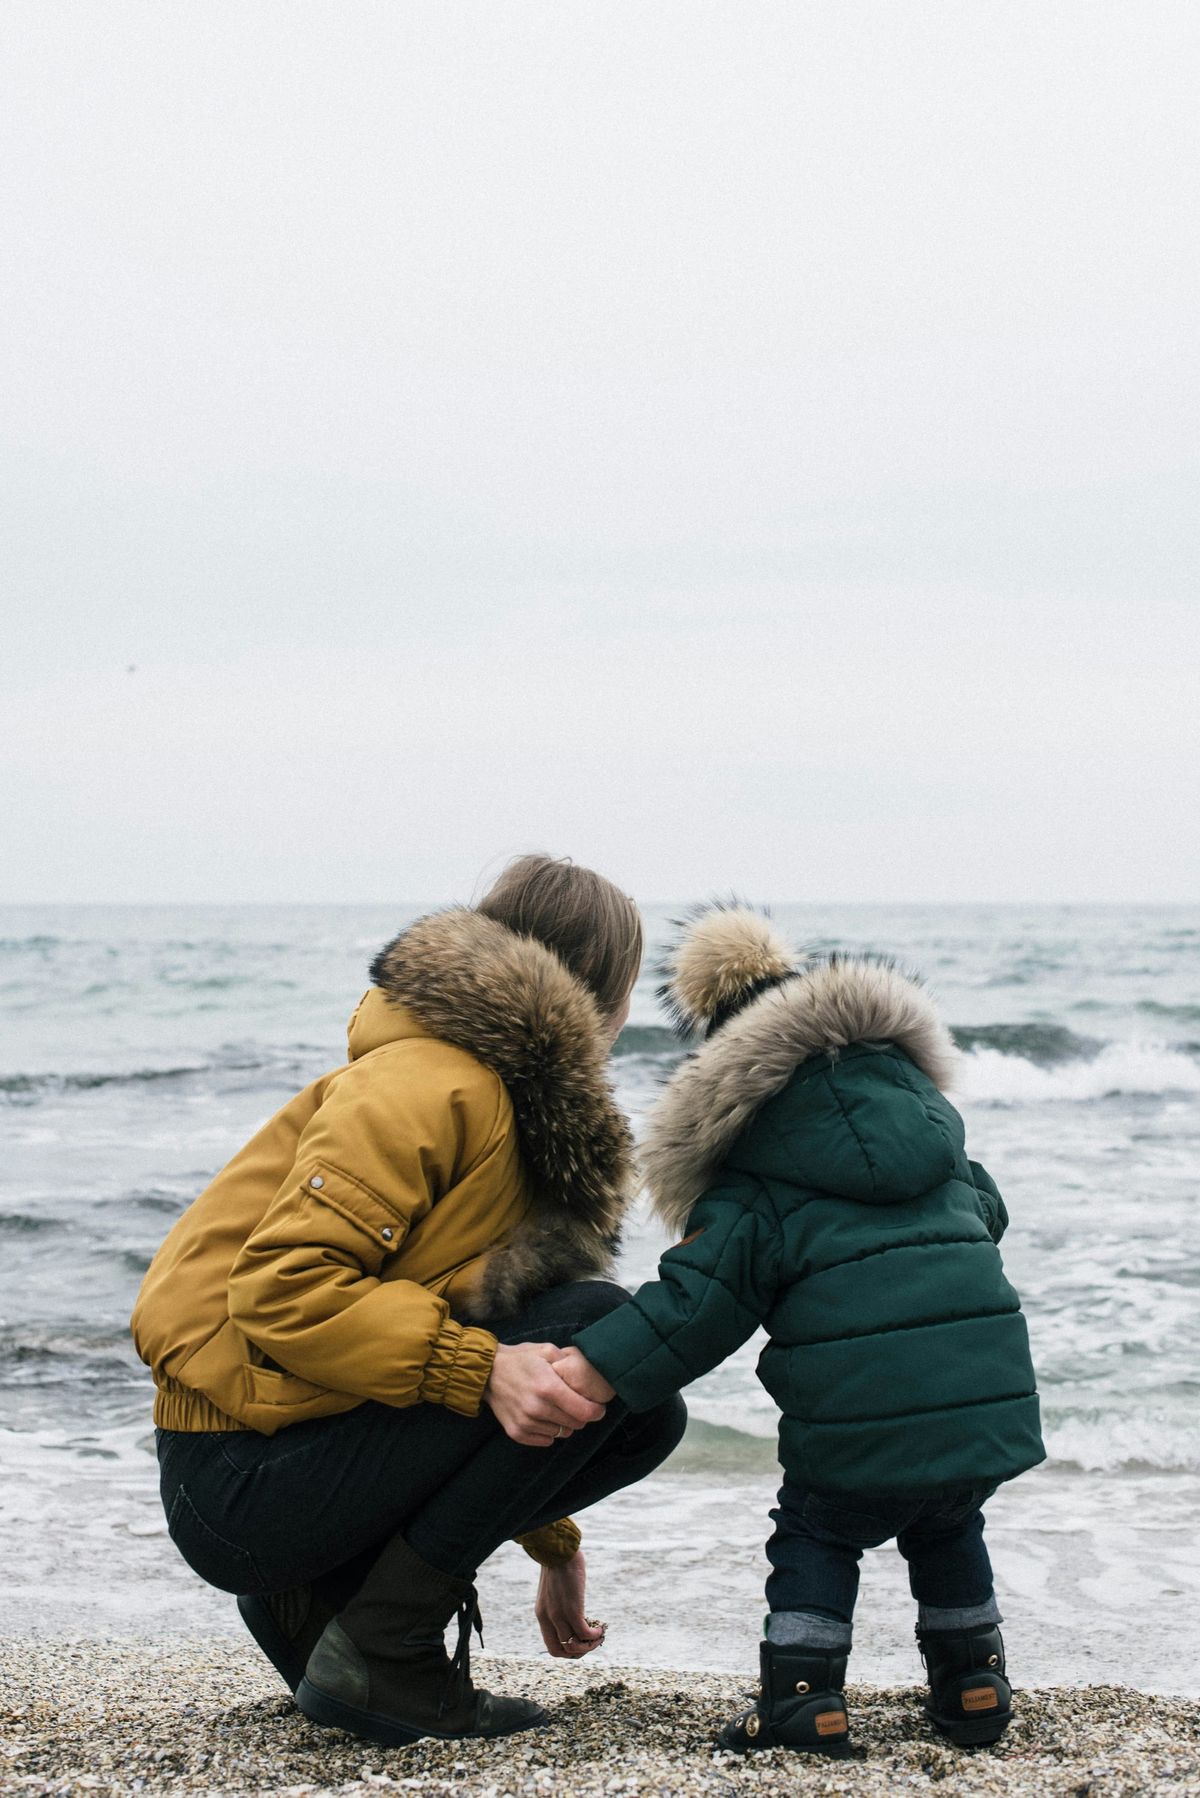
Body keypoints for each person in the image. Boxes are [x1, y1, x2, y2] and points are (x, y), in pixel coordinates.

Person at [131, 855, 686, 1749]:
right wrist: (478, 1369)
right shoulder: (431, 1082)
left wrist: (552, 1539)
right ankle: (382, 1642)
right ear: (607, 998)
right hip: (234, 1481)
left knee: (640, 1402)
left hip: (290, 1459)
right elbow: (284, 1288)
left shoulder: (510, 1107)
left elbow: (498, 1350)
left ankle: (336, 1612)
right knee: (603, 1326)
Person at [554, 903, 1044, 1755]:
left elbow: (693, 1306)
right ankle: (974, 1687)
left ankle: (804, 1698)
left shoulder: (758, 1172)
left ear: (721, 1048)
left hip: (856, 1425)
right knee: (949, 1522)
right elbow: (987, 1213)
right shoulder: (931, 1132)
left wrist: (589, 1373)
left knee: (818, 1527)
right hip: (982, 1407)